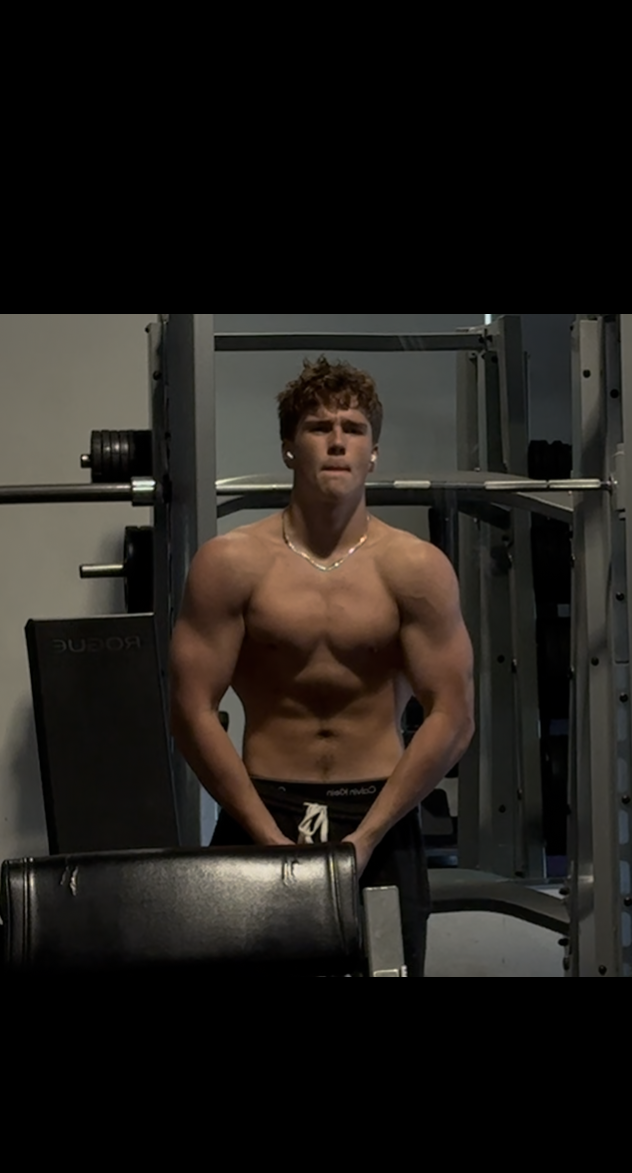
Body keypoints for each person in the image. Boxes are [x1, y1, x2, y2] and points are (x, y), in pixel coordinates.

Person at [169, 357, 476, 977]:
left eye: (353, 428)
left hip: (380, 819)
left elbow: (453, 715)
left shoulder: (415, 569)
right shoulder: (230, 564)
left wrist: (367, 838)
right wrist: (266, 838)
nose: (337, 441)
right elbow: (190, 708)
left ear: (374, 453)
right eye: (318, 427)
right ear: (288, 447)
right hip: (264, 811)